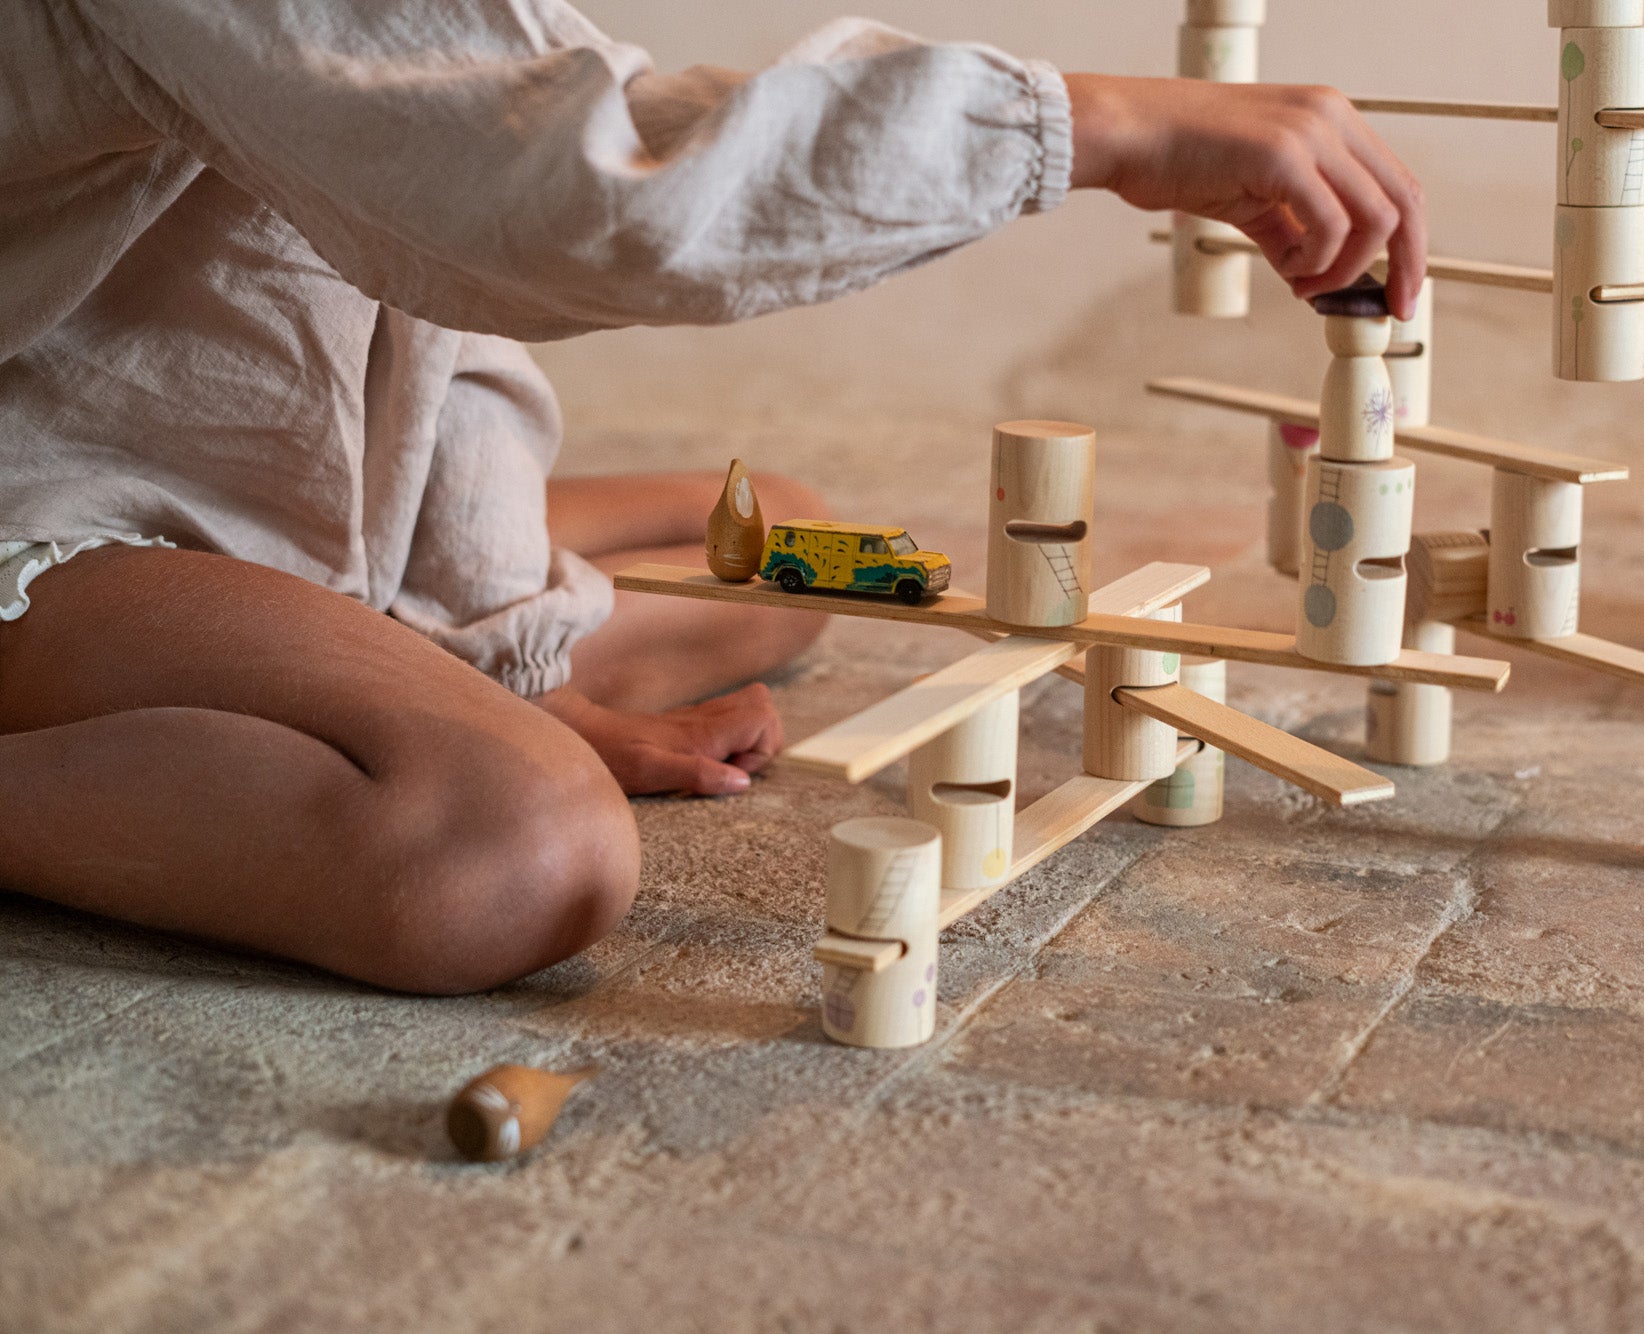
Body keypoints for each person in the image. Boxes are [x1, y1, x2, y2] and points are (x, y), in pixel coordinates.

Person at [0, 3, 1425, 993]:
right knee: (520, 849)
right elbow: (566, 190)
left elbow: (430, 256)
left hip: (245, 476)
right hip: (57, 491)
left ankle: (383, 669)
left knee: (808, 548)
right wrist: (1094, 124)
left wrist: (510, 647)